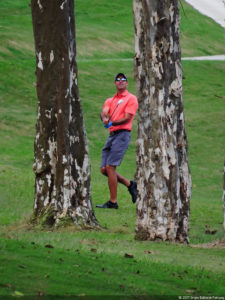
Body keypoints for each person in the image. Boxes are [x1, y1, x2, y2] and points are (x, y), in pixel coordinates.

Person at [96, 73, 138, 209]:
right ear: (115, 83)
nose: (120, 82)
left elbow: (127, 118)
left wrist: (112, 122)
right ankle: (130, 184)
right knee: (104, 170)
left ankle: (113, 202)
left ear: (127, 83)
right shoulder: (111, 99)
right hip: (112, 135)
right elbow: (104, 112)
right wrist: (104, 119)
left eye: (123, 80)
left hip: (122, 134)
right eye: (118, 80)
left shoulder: (131, 99)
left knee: (110, 167)